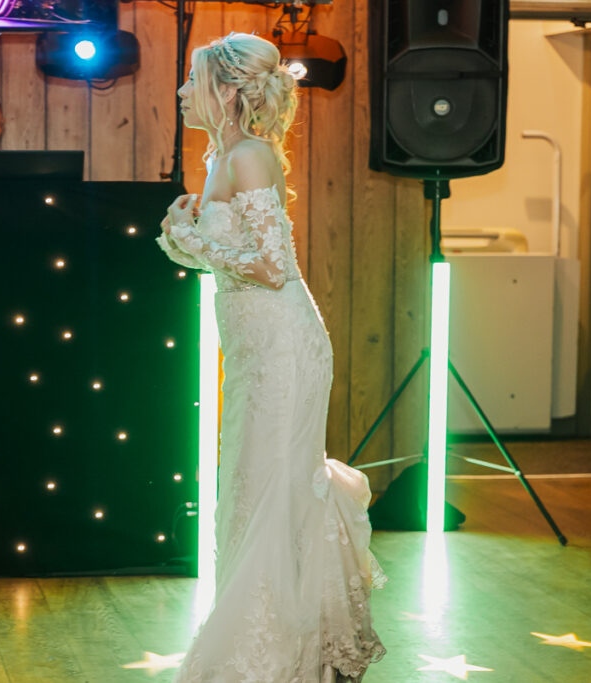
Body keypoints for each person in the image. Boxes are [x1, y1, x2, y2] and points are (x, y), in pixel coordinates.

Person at [156, 34, 386, 682]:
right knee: (252, 491)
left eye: (191, 78)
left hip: (285, 350)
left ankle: (275, 653)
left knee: (275, 491)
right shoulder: (222, 155)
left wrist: (190, 233)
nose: (181, 91)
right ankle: (280, 639)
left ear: (226, 90)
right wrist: (186, 234)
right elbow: (223, 259)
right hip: (255, 351)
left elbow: (270, 265)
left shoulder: (251, 156)